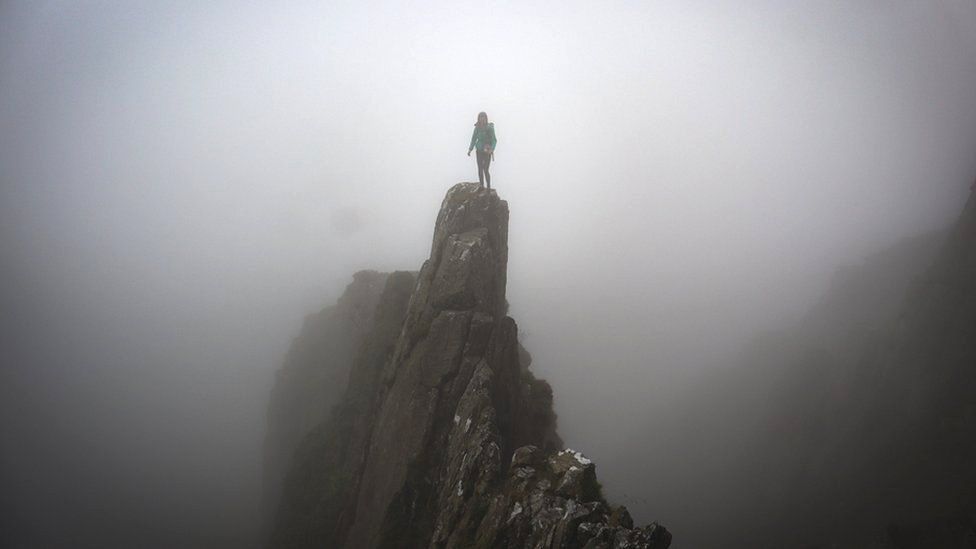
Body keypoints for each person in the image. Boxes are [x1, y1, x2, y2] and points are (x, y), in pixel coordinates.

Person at [467, 112, 497, 189]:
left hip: (487, 151)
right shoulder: (477, 128)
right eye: (480, 117)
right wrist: (470, 149)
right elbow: (473, 139)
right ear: (478, 119)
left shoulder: (489, 128)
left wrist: (492, 149)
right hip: (479, 151)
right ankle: (481, 185)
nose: (482, 119)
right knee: (480, 168)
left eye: (483, 117)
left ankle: (488, 187)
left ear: (486, 118)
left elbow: (494, 140)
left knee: (485, 169)